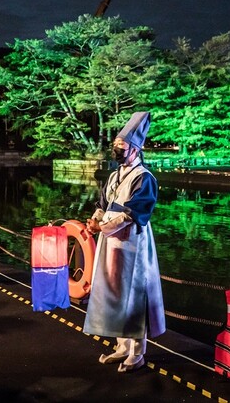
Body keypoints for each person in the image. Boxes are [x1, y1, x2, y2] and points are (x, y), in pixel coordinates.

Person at [83, 111, 165, 373]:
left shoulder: (145, 178)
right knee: (113, 291)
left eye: (122, 146)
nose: (117, 149)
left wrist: (102, 226)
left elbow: (134, 212)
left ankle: (137, 352)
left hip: (132, 244)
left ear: (136, 149)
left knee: (134, 295)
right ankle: (121, 345)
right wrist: (93, 220)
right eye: (115, 145)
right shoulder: (114, 175)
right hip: (110, 243)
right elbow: (103, 203)